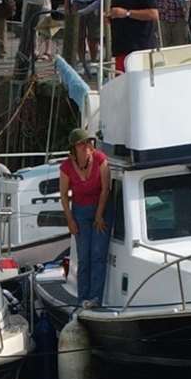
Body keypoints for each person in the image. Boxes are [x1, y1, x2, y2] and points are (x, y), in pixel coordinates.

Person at [59, 126, 111, 308]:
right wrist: (70, 220)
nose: (86, 145)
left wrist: (99, 214)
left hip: (101, 208)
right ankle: (83, 299)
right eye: (81, 143)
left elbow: (106, 189)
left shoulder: (100, 160)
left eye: (88, 142)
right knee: (84, 257)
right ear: (74, 148)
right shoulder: (66, 167)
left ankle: (95, 298)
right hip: (79, 210)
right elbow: (64, 195)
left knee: (98, 255)